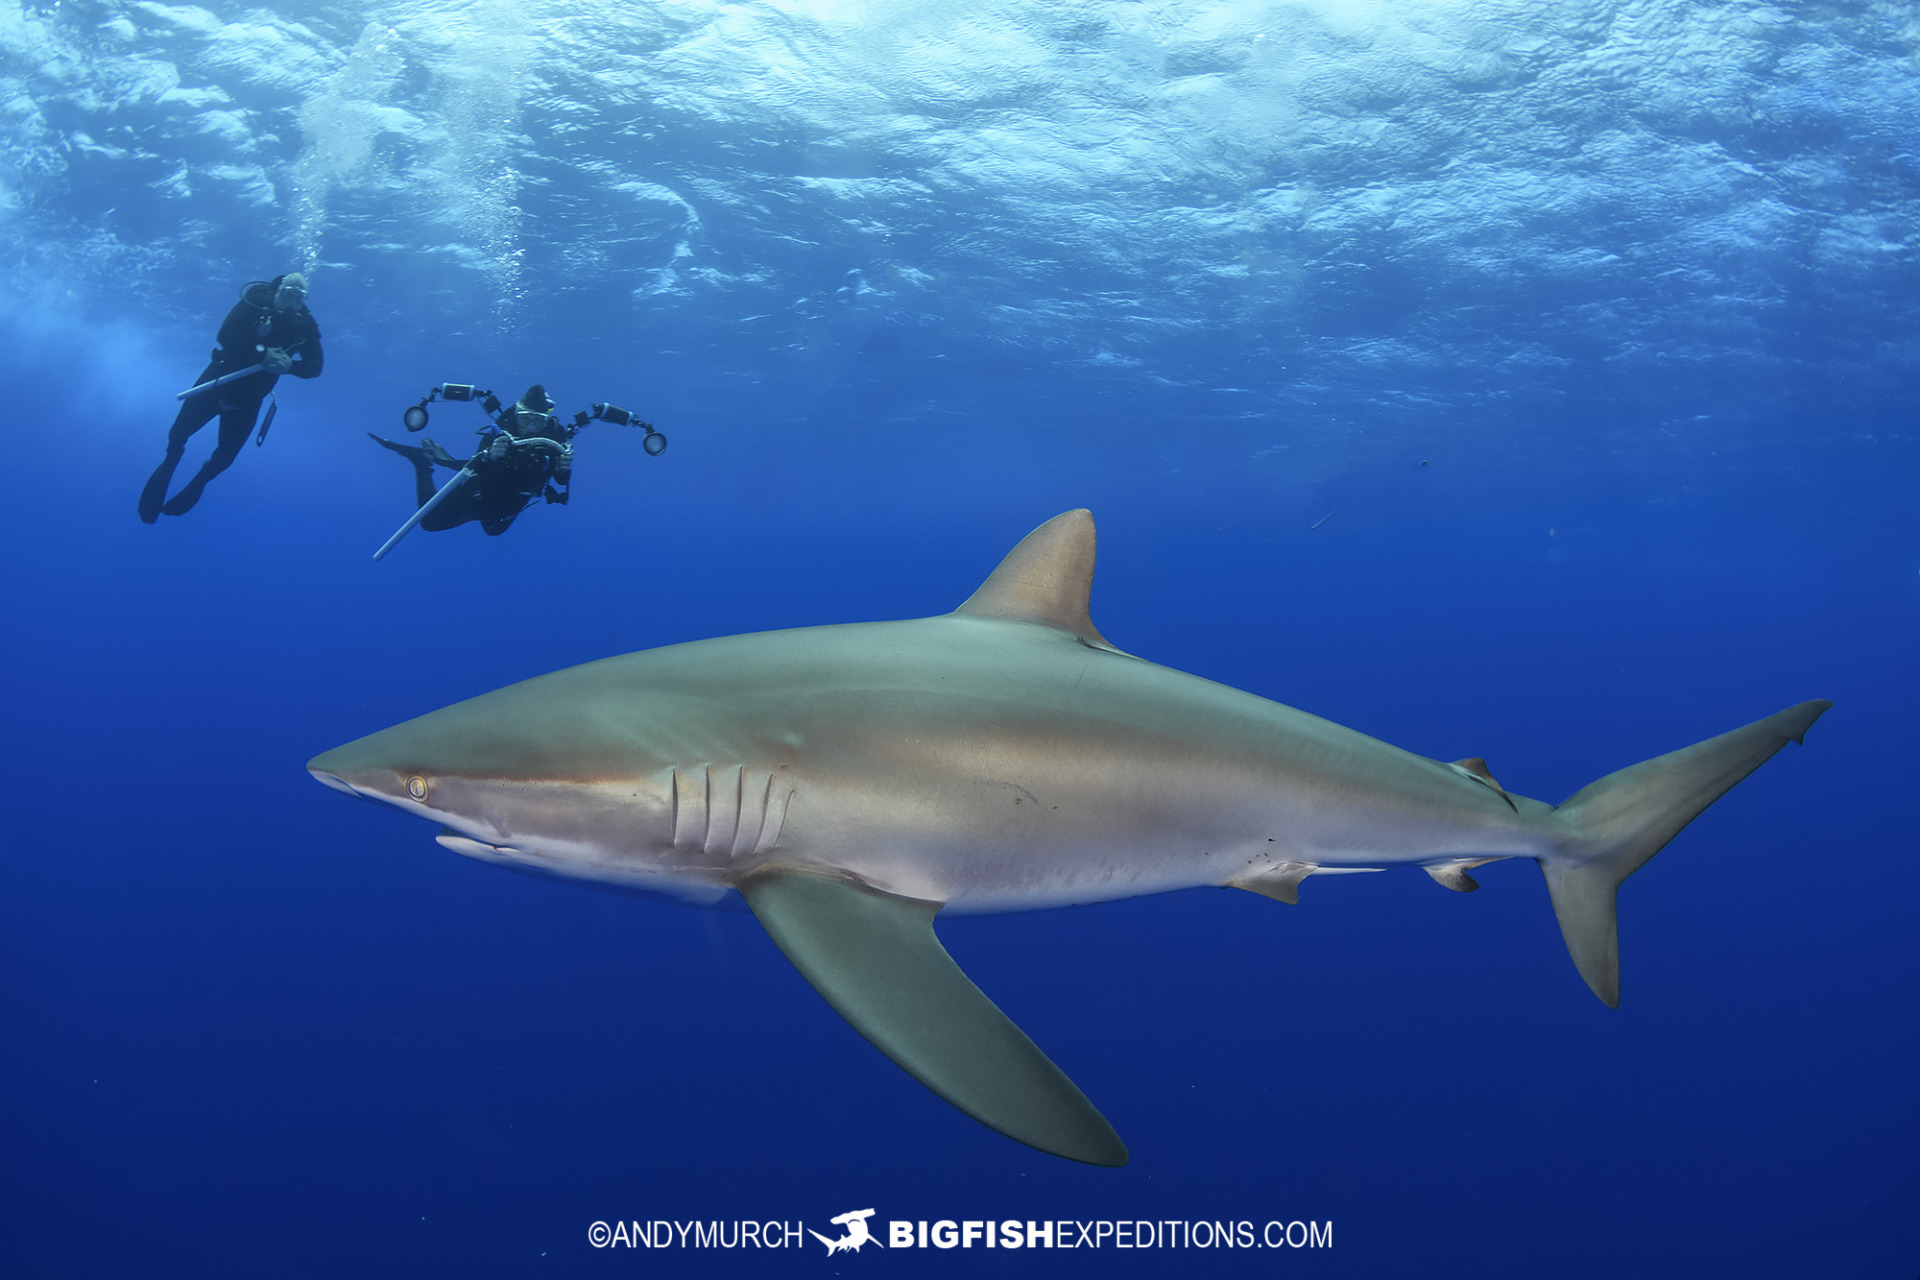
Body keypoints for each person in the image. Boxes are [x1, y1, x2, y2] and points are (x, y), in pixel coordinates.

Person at [138, 273, 324, 522]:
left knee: (225, 457)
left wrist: (290, 365)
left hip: (249, 399)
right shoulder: (257, 301)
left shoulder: (304, 323)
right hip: (217, 382)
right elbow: (225, 335)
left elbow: (315, 367)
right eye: (289, 293)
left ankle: (201, 480)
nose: (293, 300)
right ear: (278, 290)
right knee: (178, 434)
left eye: (299, 297)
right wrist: (261, 354)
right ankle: (171, 461)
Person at [368, 385, 574, 537]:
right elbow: (475, 464)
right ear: (517, 415)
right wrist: (491, 455)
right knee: (429, 522)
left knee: (493, 531)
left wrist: (564, 470)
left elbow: (560, 481)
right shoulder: (502, 430)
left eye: (537, 420)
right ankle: (420, 463)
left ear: (546, 420)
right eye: (524, 419)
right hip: (482, 491)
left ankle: (441, 460)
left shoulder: (555, 439)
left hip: (512, 501)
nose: (530, 427)